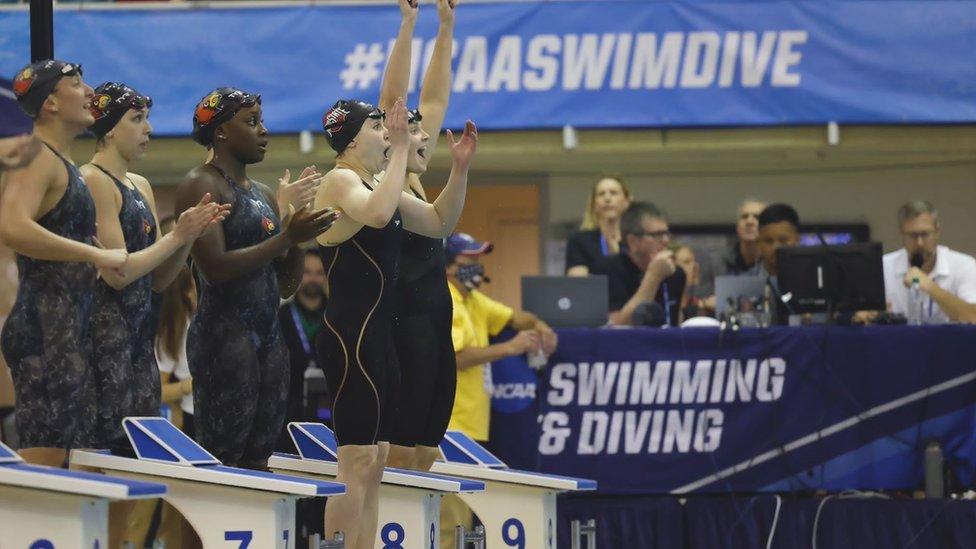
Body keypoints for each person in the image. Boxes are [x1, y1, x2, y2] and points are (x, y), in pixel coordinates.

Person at [313, 96, 475, 549]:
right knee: (357, 459)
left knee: (377, 458)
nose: (388, 132)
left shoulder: (374, 182)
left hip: (379, 336)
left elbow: (439, 221)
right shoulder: (340, 180)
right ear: (349, 138)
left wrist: (459, 170)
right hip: (351, 336)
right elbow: (379, 214)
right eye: (378, 126)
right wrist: (402, 150)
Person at [174, 87, 338, 468]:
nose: (263, 130)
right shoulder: (202, 184)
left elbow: (284, 284)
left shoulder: (263, 194)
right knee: (222, 462)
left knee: (261, 459)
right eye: (251, 122)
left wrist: (297, 240)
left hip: (268, 340)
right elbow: (215, 267)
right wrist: (285, 236)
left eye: (261, 120)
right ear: (221, 133)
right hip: (223, 339)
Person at [82, 81, 225, 456]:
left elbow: (160, 280)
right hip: (102, 344)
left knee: (138, 463)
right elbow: (119, 272)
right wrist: (177, 236)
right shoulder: (94, 179)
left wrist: (189, 236)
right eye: (138, 119)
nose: (148, 129)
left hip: (139, 347)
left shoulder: (140, 185)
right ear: (110, 128)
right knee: (102, 464)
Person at [0, 60, 128, 467]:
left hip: (65, 326)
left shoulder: (62, 162)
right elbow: (12, 225)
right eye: (77, 83)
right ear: (51, 102)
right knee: (46, 463)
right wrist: (94, 253)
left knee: (70, 466)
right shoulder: (37, 154)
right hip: (43, 325)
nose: (91, 92)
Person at [377, 0, 464, 472]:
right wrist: (409, 24)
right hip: (402, 329)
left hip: (436, 328)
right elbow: (396, 100)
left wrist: (447, 25)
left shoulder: (415, 178)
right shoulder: (384, 181)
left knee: (428, 453)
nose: (426, 137)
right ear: (392, 135)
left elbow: (433, 101)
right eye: (414, 133)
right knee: (403, 455)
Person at [441, 232, 557, 547]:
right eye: (469, 260)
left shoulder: (473, 300)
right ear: (449, 267)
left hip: (469, 428)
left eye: (479, 260)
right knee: (449, 524)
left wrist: (542, 328)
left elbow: (518, 318)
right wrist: (510, 348)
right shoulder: (447, 298)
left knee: (462, 520)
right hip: (448, 427)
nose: (477, 266)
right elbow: (456, 357)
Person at [883, 200, 976, 323]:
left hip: (949, 342)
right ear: (901, 233)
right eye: (912, 236)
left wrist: (930, 287)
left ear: (937, 230)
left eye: (925, 234)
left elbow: (973, 316)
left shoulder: (964, 265)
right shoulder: (884, 266)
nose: (919, 243)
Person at [277, 248, 329, 451]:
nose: (313, 279)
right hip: (290, 409)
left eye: (319, 273)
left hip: (327, 407)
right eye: (307, 272)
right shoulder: (282, 316)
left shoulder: (335, 317)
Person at [606, 202, 686, 326]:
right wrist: (653, 277)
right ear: (632, 241)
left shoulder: (676, 273)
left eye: (666, 233)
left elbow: (677, 322)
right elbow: (618, 327)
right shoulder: (610, 269)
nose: (665, 241)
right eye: (657, 235)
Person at [566, 174, 631, 276]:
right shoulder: (580, 241)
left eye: (613, 193)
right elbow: (577, 284)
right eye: (601, 194)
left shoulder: (636, 240)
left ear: (626, 202)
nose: (607, 198)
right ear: (594, 204)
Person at [749, 203, 800, 324]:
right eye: (768, 241)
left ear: (797, 240)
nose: (776, 247)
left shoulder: (815, 283)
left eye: (783, 240)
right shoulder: (744, 284)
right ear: (758, 242)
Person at [720, 198, 766, 275]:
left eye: (757, 217)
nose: (749, 221)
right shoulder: (718, 262)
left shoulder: (775, 263)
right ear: (737, 227)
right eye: (744, 217)